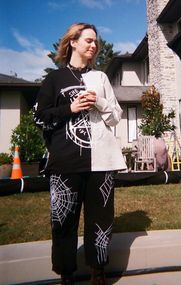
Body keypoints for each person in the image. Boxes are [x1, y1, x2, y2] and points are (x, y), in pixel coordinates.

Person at [33, 22, 126, 285]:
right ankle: (66, 275)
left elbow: (116, 117)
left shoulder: (102, 78)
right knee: (63, 221)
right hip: (65, 162)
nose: (94, 45)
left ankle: (98, 271)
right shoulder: (54, 79)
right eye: (88, 40)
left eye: (95, 41)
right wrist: (70, 108)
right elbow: (39, 118)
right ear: (73, 42)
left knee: (101, 220)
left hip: (102, 162)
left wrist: (99, 101)